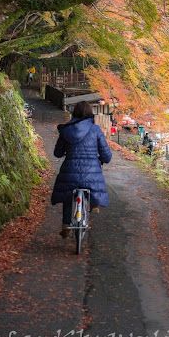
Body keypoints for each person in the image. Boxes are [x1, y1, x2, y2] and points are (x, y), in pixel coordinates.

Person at [51, 101, 112, 238]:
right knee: (94, 182)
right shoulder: (95, 129)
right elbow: (106, 155)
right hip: (91, 171)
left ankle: (66, 226)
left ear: (74, 113)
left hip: (70, 170)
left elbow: (57, 153)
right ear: (90, 113)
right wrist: (103, 159)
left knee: (68, 194)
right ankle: (94, 203)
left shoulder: (67, 129)